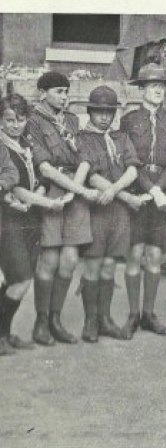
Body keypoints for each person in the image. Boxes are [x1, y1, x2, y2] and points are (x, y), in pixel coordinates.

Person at [24, 71, 100, 346]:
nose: (64, 97)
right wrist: (76, 191)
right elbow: (43, 166)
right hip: (52, 192)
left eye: (66, 92)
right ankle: (41, 322)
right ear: (42, 93)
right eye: (58, 91)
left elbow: (84, 158)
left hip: (72, 191)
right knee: (50, 260)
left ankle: (56, 319)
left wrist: (74, 190)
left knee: (69, 260)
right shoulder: (32, 122)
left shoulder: (71, 120)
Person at [119, 62, 166, 338]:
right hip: (137, 192)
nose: (158, 90)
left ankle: (149, 313)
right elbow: (128, 160)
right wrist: (150, 190)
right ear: (142, 89)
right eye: (153, 86)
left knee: (155, 254)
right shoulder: (129, 120)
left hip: (161, 194)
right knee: (135, 253)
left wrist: (159, 190)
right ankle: (133, 314)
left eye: (162, 86)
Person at [77, 85, 142, 343]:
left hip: (118, 211)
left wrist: (116, 190)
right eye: (99, 112)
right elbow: (90, 176)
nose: (104, 117)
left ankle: (105, 318)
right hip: (95, 209)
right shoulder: (82, 138)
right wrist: (124, 194)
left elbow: (133, 169)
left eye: (109, 112)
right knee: (93, 264)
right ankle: (90, 320)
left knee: (109, 266)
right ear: (91, 112)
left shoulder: (121, 137)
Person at [0, 94, 32, 354]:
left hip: (25, 218)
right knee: (18, 278)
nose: (14, 125)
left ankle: (5, 334)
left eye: (20, 120)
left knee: (15, 279)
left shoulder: (25, 145)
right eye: (9, 120)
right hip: (6, 218)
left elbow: (12, 174)